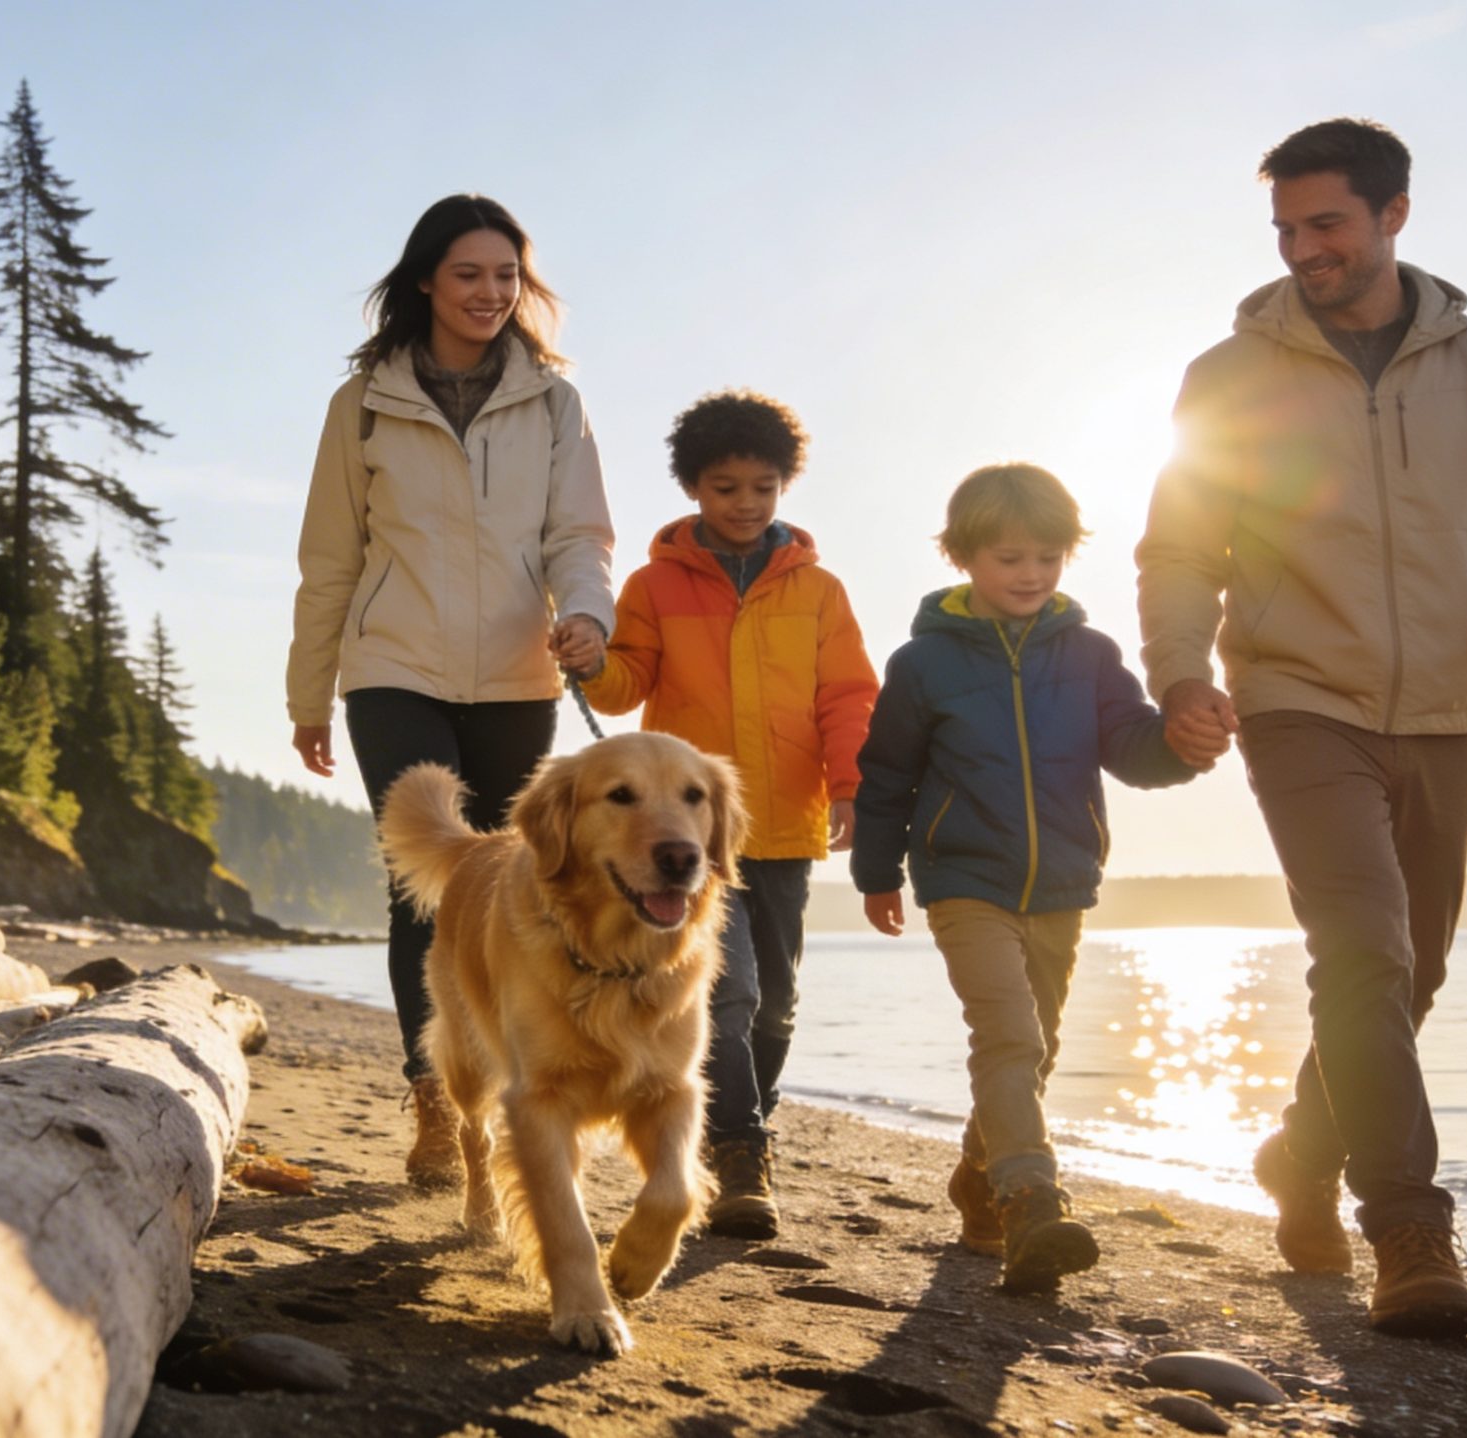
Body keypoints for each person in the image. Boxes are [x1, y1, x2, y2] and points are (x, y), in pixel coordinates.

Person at [1137, 118, 1467, 1338]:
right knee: (1363, 947)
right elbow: (1184, 545)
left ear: (1394, 214)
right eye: (1286, 231)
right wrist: (1181, 671)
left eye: (1326, 224)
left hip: (1449, 708)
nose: (1304, 250)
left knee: (1416, 968)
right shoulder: (1228, 375)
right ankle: (1406, 1227)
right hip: (1295, 698)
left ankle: (1300, 1152)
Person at [285, 194, 616, 1188]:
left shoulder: (553, 401)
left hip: (519, 674)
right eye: (468, 273)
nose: (489, 292)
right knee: (420, 892)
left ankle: (509, 1086)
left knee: (514, 892)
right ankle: (434, 1103)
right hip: (392, 669)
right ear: (426, 278)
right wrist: (310, 693)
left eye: (506, 276)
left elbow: (579, 534)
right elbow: (329, 557)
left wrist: (588, 614)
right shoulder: (363, 404)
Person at [854, 464, 1201, 1293]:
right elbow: (888, 774)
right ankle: (1030, 1199)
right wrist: (876, 872)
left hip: (1063, 883)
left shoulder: (1089, 655)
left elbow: (1131, 748)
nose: (1031, 574)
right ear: (965, 556)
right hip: (964, 878)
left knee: (1034, 1050)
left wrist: (1182, 746)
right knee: (1008, 1036)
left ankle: (977, 1182)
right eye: (1011, 557)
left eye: (1047, 557)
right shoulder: (923, 663)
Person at [573, 389, 875, 1239]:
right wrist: (594, 661)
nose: (745, 504)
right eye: (725, 487)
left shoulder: (819, 590)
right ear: (692, 489)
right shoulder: (653, 583)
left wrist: (851, 785)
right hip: (688, 834)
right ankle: (740, 1152)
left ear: (785, 486)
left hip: (784, 823)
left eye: (763, 487)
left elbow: (849, 696)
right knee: (730, 992)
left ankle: (744, 1126)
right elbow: (627, 680)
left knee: (775, 1000)